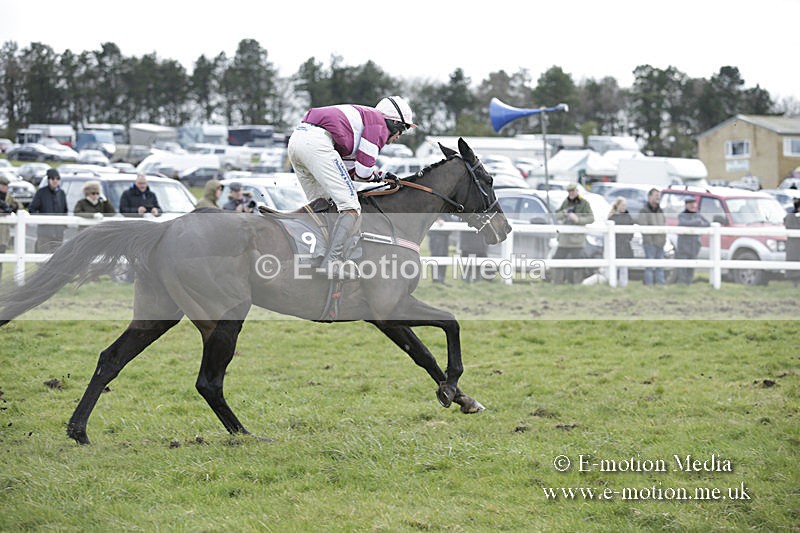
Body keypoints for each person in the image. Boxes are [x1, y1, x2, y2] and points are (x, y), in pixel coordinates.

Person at [287, 96, 416, 279]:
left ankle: (314, 255)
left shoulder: (361, 123)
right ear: (394, 123)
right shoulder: (378, 125)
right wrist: (381, 176)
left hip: (297, 140)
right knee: (351, 207)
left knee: (323, 204)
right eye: (401, 131)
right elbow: (363, 173)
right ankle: (332, 261)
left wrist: (376, 175)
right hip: (316, 144)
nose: (397, 138)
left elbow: (349, 171)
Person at [553, 183, 594, 284]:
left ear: (577, 191)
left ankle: (577, 284)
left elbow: (591, 218)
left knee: (577, 263)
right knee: (557, 259)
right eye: (569, 191)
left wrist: (578, 219)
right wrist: (564, 214)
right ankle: (557, 282)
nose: (571, 193)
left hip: (577, 240)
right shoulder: (565, 202)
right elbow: (557, 215)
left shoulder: (584, 203)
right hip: (564, 240)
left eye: (573, 191)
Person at [28, 167, 67, 253]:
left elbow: (65, 211)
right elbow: (32, 209)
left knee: (57, 257)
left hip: (58, 233)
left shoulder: (62, 193)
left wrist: (64, 226)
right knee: (43, 256)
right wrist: (41, 221)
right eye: (52, 178)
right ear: (48, 179)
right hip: (44, 233)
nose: (55, 181)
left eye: (57, 178)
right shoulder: (41, 192)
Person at [676, 196, 710, 284]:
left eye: (693, 204)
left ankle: (689, 283)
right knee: (683, 268)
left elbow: (707, 223)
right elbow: (683, 223)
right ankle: (682, 284)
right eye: (690, 204)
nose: (693, 206)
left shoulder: (698, 214)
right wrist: (696, 222)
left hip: (694, 246)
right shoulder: (682, 215)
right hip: (684, 247)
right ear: (686, 205)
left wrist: (698, 223)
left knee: (691, 268)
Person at [638, 188, 666, 286]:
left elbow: (663, 224)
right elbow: (643, 226)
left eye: (659, 196)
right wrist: (649, 240)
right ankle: (649, 286)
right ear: (649, 197)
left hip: (660, 242)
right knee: (649, 266)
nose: (658, 198)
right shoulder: (644, 210)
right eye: (656, 196)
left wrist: (663, 239)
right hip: (650, 243)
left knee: (660, 266)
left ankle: (660, 285)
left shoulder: (660, 210)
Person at [608, 197, 634, 288]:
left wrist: (628, 238)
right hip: (615, 244)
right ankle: (613, 283)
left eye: (625, 205)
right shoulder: (612, 217)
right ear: (617, 205)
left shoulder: (628, 216)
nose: (624, 207)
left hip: (625, 244)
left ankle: (623, 284)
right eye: (622, 205)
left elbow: (631, 229)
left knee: (624, 266)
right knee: (614, 266)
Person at [0, 175, 19, 278]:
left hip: (3, 236)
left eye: (6, 186)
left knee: (1, 260)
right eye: (3, 185)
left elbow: (18, 206)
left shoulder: (8, 197)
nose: (6, 188)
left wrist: (12, 207)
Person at [427, 216, 452, 283]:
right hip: (436, 235)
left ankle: (441, 279)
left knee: (444, 257)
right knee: (436, 256)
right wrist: (437, 219)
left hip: (445, 235)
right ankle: (436, 279)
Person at [784, 198, 800, 288]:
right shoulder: (790, 217)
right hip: (794, 244)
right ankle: (794, 282)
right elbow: (789, 227)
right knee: (793, 261)